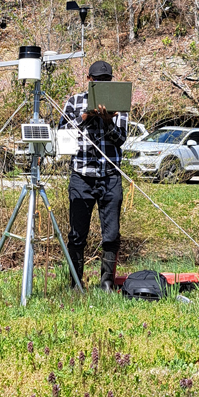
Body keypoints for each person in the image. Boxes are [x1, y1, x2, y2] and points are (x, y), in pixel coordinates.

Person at [60, 59, 128, 292]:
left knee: (112, 234)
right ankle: (75, 284)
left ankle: (107, 284)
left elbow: (121, 139)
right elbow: (62, 134)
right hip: (81, 175)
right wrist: (85, 117)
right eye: (98, 80)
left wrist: (108, 121)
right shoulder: (74, 102)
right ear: (89, 79)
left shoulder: (119, 102)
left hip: (110, 176)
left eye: (106, 80)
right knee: (77, 234)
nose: (102, 83)